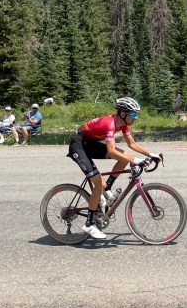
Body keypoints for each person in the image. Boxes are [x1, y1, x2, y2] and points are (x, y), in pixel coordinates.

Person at [67, 97, 160, 240]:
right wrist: (136, 160)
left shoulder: (123, 124)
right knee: (99, 184)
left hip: (89, 144)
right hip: (78, 145)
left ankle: (107, 188)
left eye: (136, 114)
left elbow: (132, 144)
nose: (136, 118)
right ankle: (89, 224)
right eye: (134, 114)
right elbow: (111, 151)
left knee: (124, 156)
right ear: (123, 114)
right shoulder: (109, 123)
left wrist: (150, 154)